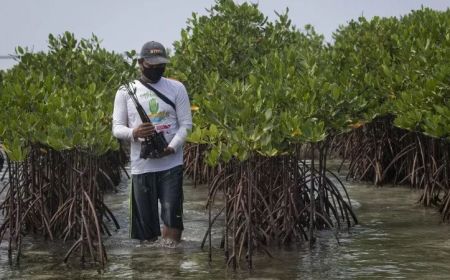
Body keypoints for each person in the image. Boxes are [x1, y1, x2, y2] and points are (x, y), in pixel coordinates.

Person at [112, 41, 192, 246]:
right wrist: (135, 133)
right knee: (146, 235)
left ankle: (171, 267)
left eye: (161, 65)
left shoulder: (176, 87)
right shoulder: (125, 91)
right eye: (152, 65)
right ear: (140, 63)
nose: (157, 69)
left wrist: (171, 148)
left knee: (172, 219)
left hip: (171, 164)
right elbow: (117, 128)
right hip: (142, 166)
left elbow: (186, 125)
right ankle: (150, 267)